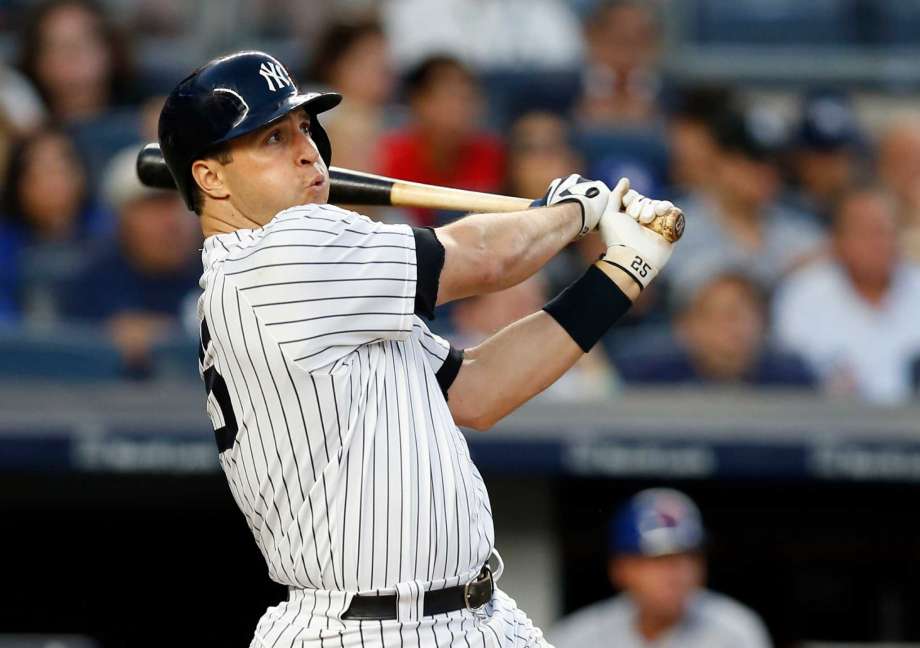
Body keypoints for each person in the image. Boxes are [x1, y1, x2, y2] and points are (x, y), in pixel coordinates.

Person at [156, 50, 679, 647]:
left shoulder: (317, 290)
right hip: (367, 630)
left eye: (304, 128)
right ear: (211, 178)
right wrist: (570, 211)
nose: (307, 151)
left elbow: (479, 390)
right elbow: (488, 258)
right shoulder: (279, 256)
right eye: (273, 139)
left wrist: (624, 270)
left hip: (476, 616)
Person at [550, 488, 772, 648]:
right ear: (621, 569)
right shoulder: (578, 638)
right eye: (660, 561)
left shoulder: (734, 632)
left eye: (688, 558)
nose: (678, 573)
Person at [773, 187, 920, 404]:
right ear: (837, 239)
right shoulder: (803, 293)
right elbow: (790, 381)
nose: (877, 243)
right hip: (826, 429)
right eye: (865, 232)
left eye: (885, 231)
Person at [62, 146, 200, 373]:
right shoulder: (93, 282)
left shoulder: (224, 273)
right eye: (156, 206)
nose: (174, 221)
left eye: (186, 203)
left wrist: (161, 335)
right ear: (121, 218)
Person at [666, 108, 825, 289]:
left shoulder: (799, 229)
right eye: (753, 160)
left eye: (774, 161)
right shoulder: (675, 226)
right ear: (720, 161)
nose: (766, 171)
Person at [616, 265, 815, 387]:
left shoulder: (792, 379)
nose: (732, 329)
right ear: (685, 326)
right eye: (718, 316)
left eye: (741, 316)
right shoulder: (645, 375)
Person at [376, 54, 504, 226]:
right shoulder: (387, 157)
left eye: (466, 99)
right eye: (448, 98)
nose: (459, 110)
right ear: (418, 102)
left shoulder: (495, 156)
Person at [305, 17, 396, 173]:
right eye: (369, 61)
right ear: (336, 65)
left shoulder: (373, 117)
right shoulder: (348, 125)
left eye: (383, 61)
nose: (382, 71)